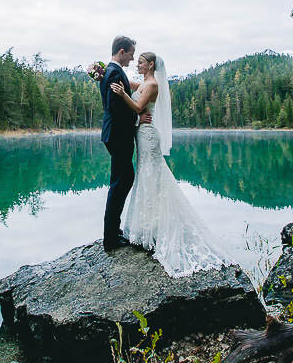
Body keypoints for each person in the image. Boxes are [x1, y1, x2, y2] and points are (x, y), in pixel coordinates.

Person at [110, 52, 231, 277]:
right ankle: (148, 227)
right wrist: (105, 77)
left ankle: (153, 229)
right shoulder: (145, 82)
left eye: (141, 62)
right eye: (136, 61)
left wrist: (123, 94)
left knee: (150, 176)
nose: (137, 64)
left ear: (151, 65)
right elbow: (132, 85)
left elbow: (137, 109)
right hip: (142, 134)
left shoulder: (153, 84)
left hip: (148, 136)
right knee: (146, 177)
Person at [99, 35, 149, 251]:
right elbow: (115, 108)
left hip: (115, 135)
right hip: (118, 135)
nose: (132, 59)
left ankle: (113, 230)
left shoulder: (110, 71)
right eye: (130, 54)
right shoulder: (114, 72)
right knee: (122, 181)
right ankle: (110, 238)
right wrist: (137, 118)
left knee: (119, 181)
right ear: (121, 51)